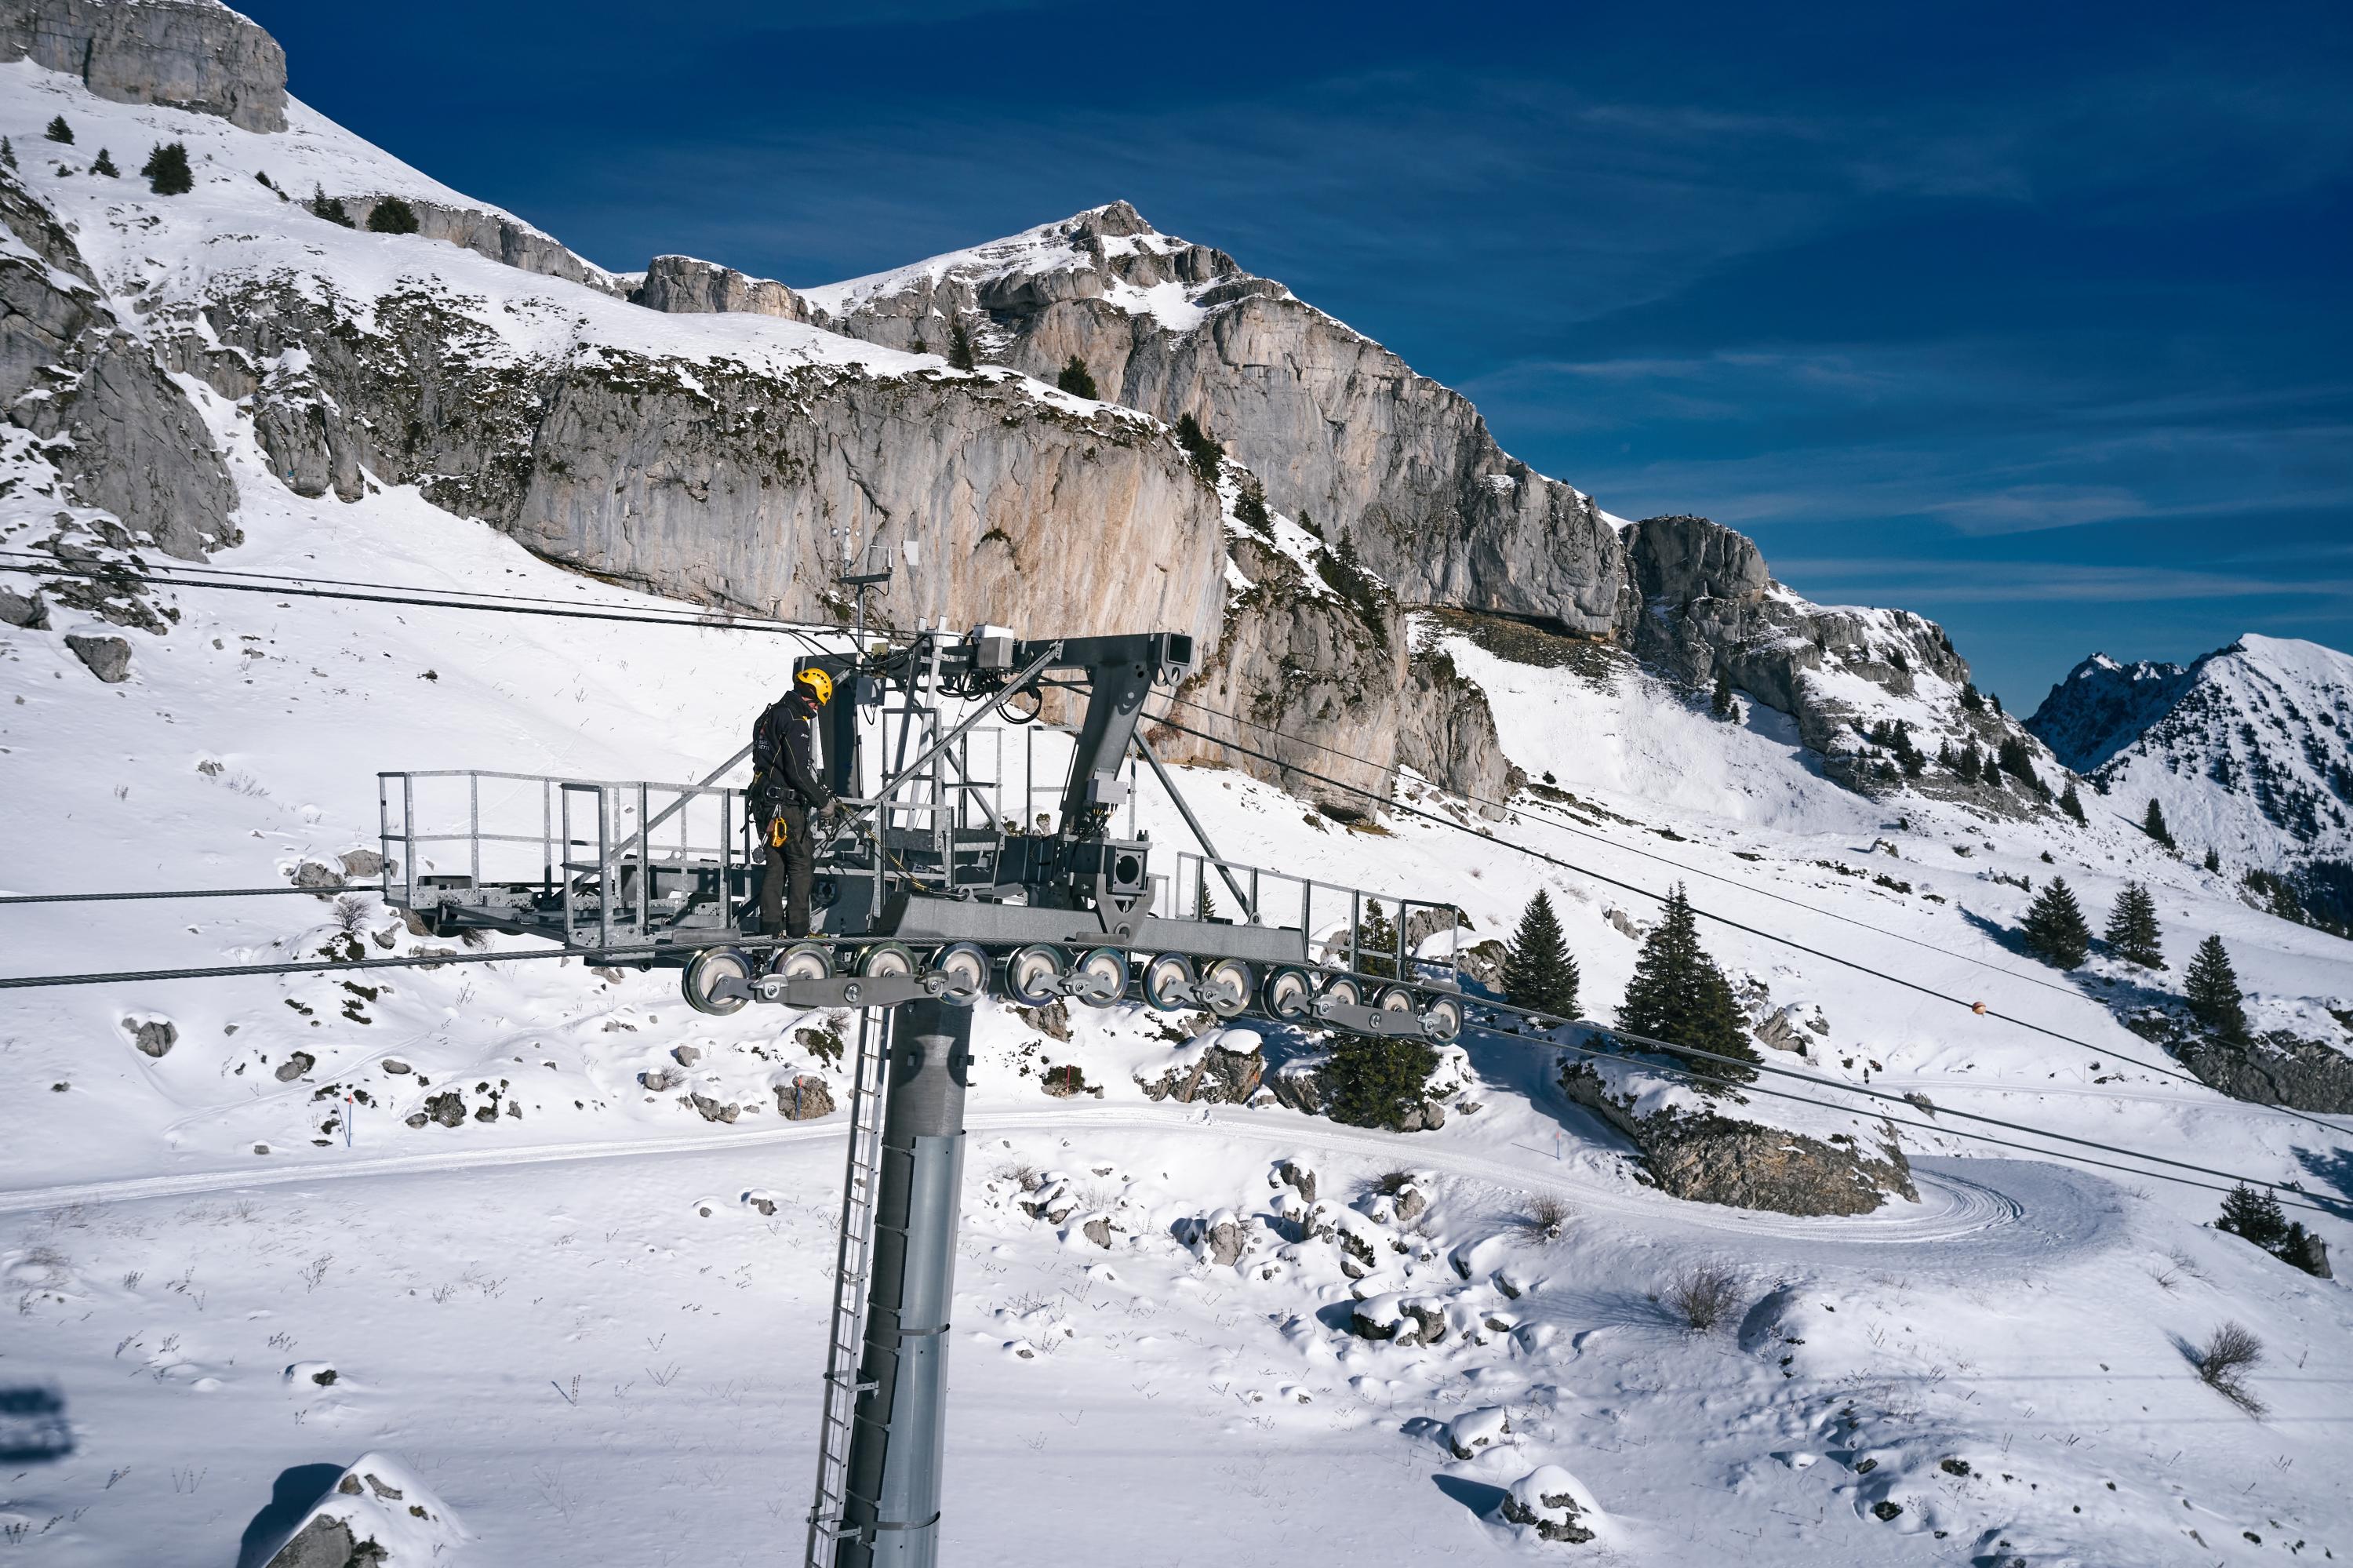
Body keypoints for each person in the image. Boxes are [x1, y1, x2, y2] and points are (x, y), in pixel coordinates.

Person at [751, 668, 835, 937]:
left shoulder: (770, 715)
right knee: (801, 866)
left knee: (775, 866)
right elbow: (797, 772)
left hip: (764, 802)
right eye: (817, 703)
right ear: (810, 695)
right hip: (785, 808)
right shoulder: (796, 721)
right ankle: (799, 933)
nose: (817, 709)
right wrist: (823, 802)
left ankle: (771, 932)